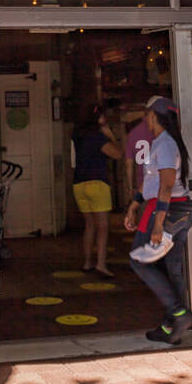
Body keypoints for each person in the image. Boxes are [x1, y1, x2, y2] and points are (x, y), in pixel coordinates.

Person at [125, 96, 192, 344]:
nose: (145, 118)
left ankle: (179, 313)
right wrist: (135, 203)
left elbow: (166, 186)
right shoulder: (161, 143)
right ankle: (171, 328)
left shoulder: (165, 144)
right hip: (175, 210)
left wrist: (158, 224)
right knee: (172, 269)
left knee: (139, 259)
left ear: (154, 116)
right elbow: (152, 182)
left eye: (147, 114)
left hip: (167, 211)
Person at [72, 105, 122, 277]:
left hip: (79, 185)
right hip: (97, 184)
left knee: (89, 225)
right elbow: (117, 154)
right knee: (102, 226)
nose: (105, 119)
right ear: (98, 119)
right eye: (103, 117)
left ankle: (87, 262)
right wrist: (112, 137)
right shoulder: (98, 137)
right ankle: (100, 264)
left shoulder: (77, 135)